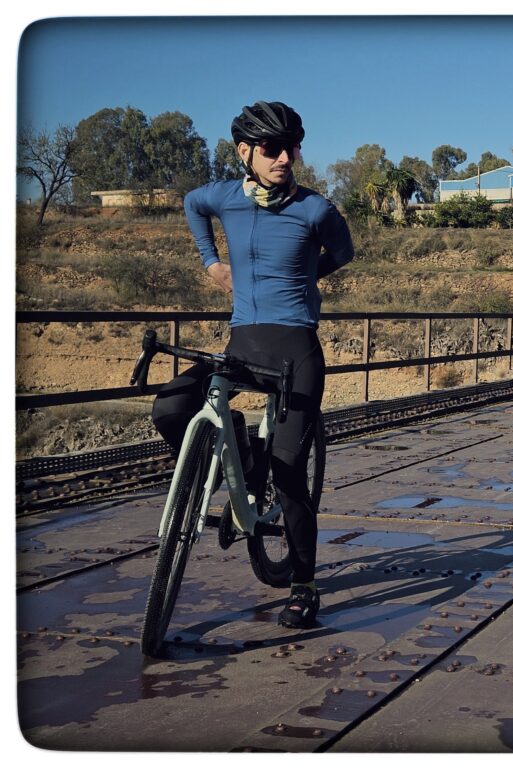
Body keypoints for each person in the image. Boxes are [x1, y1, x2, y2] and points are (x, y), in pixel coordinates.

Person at [151, 100, 354, 629]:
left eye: (292, 148)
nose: (285, 158)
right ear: (244, 151)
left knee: (287, 474)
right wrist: (211, 263)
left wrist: (306, 275)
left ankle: (304, 586)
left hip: (296, 352)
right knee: (169, 408)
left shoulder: (315, 209)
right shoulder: (223, 197)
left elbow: (343, 252)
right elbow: (191, 204)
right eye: (271, 148)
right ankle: (240, 453)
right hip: (242, 347)